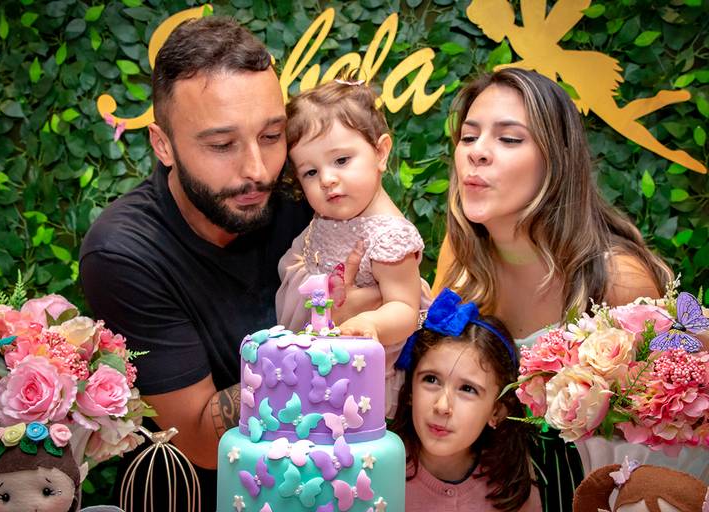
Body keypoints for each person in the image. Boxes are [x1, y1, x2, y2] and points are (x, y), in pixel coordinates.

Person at [79, 16, 320, 511]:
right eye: (221, 145)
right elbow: (200, 440)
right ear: (163, 145)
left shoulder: (307, 189)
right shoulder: (125, 251)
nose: (256, 169)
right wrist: (334, 347)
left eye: (272, 135)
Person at [432, 68, 673, 510]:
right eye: (468, 137)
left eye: (509, 139)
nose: (477, 153)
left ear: (556, 161)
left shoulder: (617, 279)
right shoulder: (462, 266)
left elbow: (664, 449)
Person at [276, 77, 431, 417]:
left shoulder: (388, 235)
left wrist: (371, 324)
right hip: (317, 345)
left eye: (342, 160)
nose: (327, 179)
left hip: (360, 364)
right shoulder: (331, 215)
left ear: (381, 152)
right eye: (310, 172)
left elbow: (405, 309)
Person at [391, 288, 541, 512]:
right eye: (431, 379)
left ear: (497, 411)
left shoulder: (513, 491)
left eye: (467, 389)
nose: (442, 406)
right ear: (410, 389)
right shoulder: (379, 475)